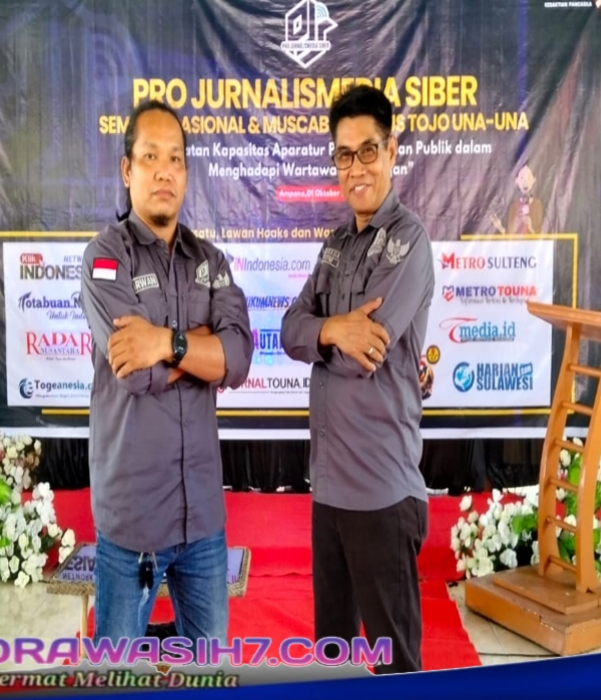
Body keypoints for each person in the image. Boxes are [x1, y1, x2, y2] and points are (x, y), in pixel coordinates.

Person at [79, 99, 253, 652]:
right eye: (150, 157)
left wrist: (166, 342)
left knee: (209, 672)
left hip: (201, 520)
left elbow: (238, 359)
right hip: (132, 523)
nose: (164, 171)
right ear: (126, 169)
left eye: (175, 159)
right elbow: (136, 373)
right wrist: (201, 348)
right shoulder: (104, 258)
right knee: (117, 676)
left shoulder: (211, 262)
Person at [282, 85, 435, 675]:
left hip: (382, 492)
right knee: (334, 661)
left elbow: (362, 355)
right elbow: (290, 331)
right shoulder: (335, 246)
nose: (357, 167)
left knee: (396, 667)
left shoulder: (409, 241)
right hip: (329, 491)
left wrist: (327, 336)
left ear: (391, 151)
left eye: (368, 150)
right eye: (344, 155)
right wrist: (331, 329)